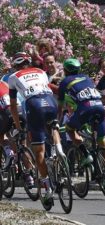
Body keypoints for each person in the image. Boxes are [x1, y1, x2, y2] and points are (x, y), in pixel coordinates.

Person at [8, 52, 61, 202]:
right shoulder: (41, 72)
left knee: (39, 151)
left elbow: (13, 106)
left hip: (34, 105)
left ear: (15, 66)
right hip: (51, 102)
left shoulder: (13, 77)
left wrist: (18, 126)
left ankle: (48, 189)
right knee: (53, 126)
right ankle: (59, 152)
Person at [57, 58, 105, 167]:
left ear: (65, 70)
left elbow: (60, 105)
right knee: (102, 143)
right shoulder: (87, 78)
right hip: (100, 108)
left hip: (85, 109)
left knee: (70, 129)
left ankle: (86, 154)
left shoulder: (65, 81)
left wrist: (58, 121)